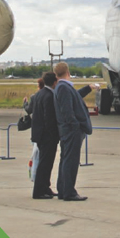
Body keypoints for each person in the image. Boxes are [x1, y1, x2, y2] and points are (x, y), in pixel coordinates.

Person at [53, 62, 94, 201]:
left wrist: (88, 88)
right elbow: (67, 111)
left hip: (68, 130)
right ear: (68, 72)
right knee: (70, 161)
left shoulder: (63, 87)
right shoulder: (63, 88)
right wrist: (76, 126)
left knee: (66, 159)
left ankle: (63, 189)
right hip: (71, 131)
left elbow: (74, 98)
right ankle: (69, 192)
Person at [30, 72, 59, 200]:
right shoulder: (49, 96)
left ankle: (46, 187)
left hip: (39, 134)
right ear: (54, 82)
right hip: (47, 136)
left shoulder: (39, 94)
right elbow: (49, 118)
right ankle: (38, 191)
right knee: (44, 164)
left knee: (45, 163)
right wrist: (54, 134)